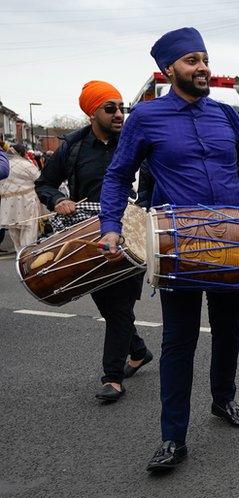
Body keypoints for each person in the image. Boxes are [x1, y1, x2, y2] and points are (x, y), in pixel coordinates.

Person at [96, 27, 239, 472]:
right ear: (168, 69)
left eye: (204, 59)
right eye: (191, 61)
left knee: (229, 328)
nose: (202, 67)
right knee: (179, 341)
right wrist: (111, 226)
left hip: (233, 240)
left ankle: (224, 400)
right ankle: (173, 437)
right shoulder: (146, 118)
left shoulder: (225, 115)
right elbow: (118, 176)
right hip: (181, 245)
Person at [34, 80, 153, 403]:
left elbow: (154, 181)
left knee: (119, 306)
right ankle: (139, 351)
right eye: (110, 108)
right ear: (91, 112)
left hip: (132, 236)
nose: (119, 114)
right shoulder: (72, 147)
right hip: (89, 236)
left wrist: (143, 208)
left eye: (121, 108)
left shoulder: (136, 142)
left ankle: (112, 378)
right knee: (107, 303)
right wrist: (58, 199)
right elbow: (44, 184)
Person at [0, 143, 42, 251]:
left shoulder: (3, 165)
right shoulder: (27, 165)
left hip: (7, 204)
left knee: (15, 235)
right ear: (22, 153)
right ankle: (27, 259)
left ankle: (19, 259)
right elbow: (40, 180)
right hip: (26, 202)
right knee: (29, 233)